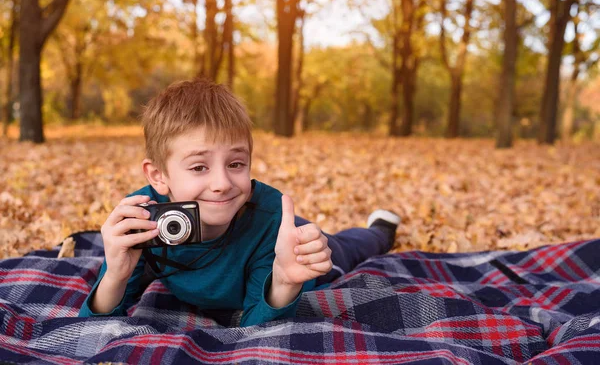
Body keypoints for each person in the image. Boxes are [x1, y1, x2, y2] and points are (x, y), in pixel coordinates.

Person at [78, 78, 400, 327]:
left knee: (352, 245)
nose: (221, 184)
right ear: (159, 176)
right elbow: (93, 326)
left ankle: (380, 228)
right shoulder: (142, 216)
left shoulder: (270, 224)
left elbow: (255, 328)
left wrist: (285, 282)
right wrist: (116, 276)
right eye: (199, 167)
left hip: (287, 244)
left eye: (235, 164)